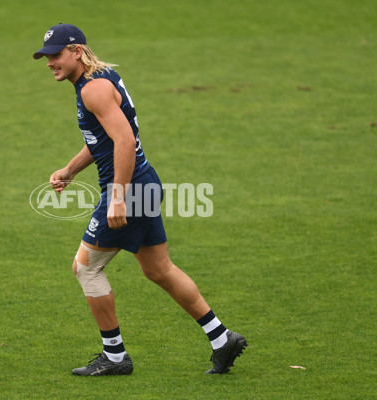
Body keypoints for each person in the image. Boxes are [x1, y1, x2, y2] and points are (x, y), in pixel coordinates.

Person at [33, 23, 247, 376]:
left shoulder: (93, 90)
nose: (49, 62)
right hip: (143, 182)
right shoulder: (99, 79)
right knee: (158, 269)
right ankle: (221, 338)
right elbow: (103, 138)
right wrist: (71, 169)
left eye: (56, 55)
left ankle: (115, 356)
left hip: (127, 188)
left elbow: (123, 142)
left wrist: (117, 198)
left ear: (77, 51)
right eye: (45, 56)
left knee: (86, 269)